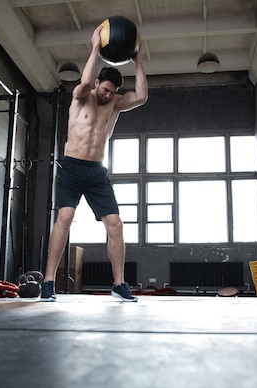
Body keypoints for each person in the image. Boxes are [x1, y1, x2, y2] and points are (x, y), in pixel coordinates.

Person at [41, 23, 148, 302]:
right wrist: (94, 48)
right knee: (64, 217)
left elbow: (142, 96)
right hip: (73, 167)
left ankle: (119, 284)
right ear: (98, 83)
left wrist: (138, 61)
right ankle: (49, 281)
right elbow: (85, 82)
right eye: (105, 89)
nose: (106, 94)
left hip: (97, 172)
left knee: (115, 225)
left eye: (112, 91)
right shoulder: (81, 97)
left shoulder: (114, 104)